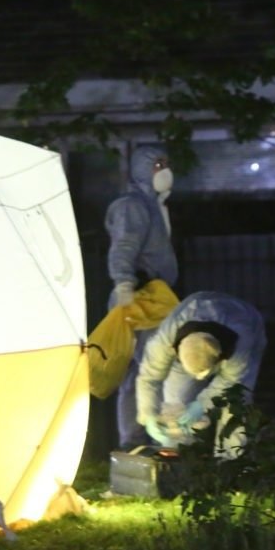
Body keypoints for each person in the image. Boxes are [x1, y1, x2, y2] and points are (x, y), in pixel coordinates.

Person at [105, 144, 179, 449]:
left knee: (143, 370)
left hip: (150, 295)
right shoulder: (133, 206)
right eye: (158, 165)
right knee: (153, 367)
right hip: (140, 296)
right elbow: (124, 246)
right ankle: (145, 439)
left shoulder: (150, 205)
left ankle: (138, 439)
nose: (165, 171)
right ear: (143, 169)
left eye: (166, 164)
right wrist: (124, 283)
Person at [135, 291, 267, 459]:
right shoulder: (165, 340)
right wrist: (148, 414)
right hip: (190, 335)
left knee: (237, 402)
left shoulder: (242, 340)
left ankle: (230, 463)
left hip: (245, 321)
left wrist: (201, 404)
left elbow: (232, 382)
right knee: (176, 404)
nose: (200, 379)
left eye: (203, 374)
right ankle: (178, 459)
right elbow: (149, 377)